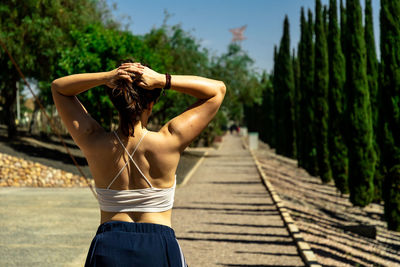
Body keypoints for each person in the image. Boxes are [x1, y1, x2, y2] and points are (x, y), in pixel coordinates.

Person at [51, 59, 226, 266]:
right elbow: (217, 90)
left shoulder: (93, 140)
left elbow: (59, 88)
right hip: (159, 247)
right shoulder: (169, 140)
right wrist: (162, 79)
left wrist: (106, 77)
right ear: (151, 103)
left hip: (108, 247)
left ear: (115, 100)